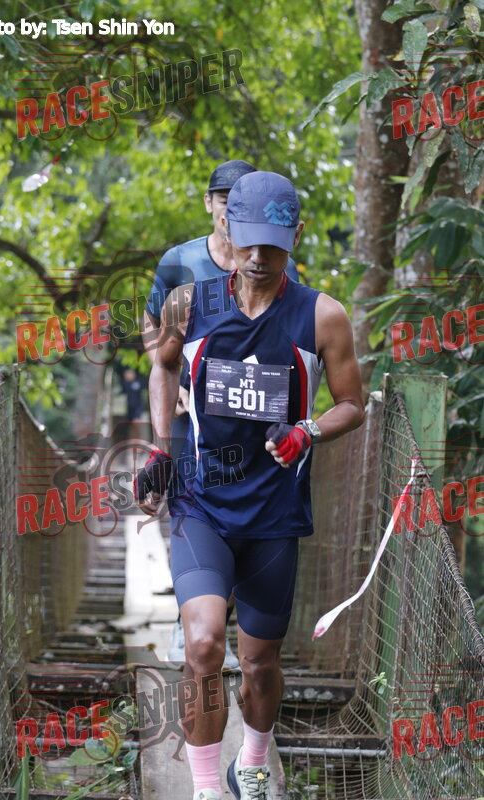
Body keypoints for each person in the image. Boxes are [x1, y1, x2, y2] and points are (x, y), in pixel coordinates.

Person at [135, 170, 365, 800]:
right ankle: (207, 788)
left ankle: (254, 762)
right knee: (204, 645)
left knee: (260, 664)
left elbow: (352, 404)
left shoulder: (322, 316)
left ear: (296, 237)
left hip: (273, 513)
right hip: (201, 504)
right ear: (227, 227)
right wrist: (161, 448)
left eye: (273, 244)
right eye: (248, 241)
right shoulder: (190, 304)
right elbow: (161, 366)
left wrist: (306, 431)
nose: (259, 257)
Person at [142, 160, 299, 669]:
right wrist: (175, 377)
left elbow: (288, 328)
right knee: (191, 503)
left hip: (249, 414)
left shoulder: (276, 261)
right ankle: (193, 621)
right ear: (212, 205)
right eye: (226, 200)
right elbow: (154, 324)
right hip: (189, 412)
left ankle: (224, 623)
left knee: (242, 509)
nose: (233, 210)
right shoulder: (180, 260)